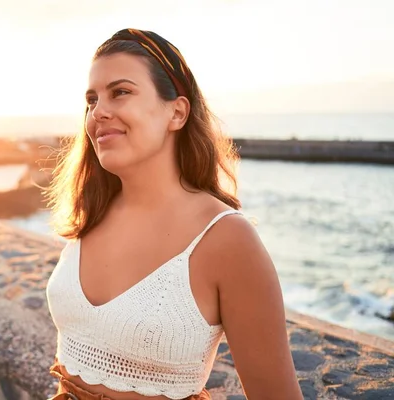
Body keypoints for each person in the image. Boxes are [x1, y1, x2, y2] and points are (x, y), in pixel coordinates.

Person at [45, 28, 303, 400]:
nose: (98, 112)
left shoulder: (226, 239)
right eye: (91, 99)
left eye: (120, 92)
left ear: (177, 112)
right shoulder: (93, 210)